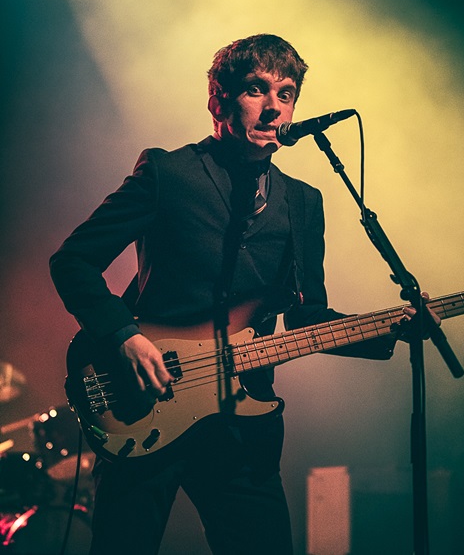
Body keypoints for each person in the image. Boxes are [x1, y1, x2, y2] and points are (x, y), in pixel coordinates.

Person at [50, 33, 436, 555]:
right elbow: (73, 261)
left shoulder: (303, 202)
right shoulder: (168, 174)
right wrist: (123, 336)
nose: (274, 107)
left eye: (287, 93)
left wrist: (389, 329)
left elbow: (307, 317)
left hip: (243, 428)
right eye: (257, 90)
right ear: (218, 100)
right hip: (144, 408)